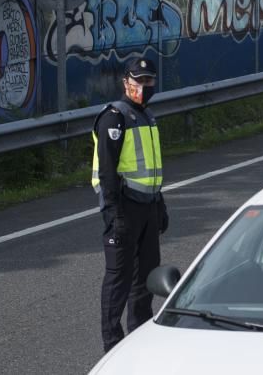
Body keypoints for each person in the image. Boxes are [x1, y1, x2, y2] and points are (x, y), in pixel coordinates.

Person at [92, 57, 167, 353]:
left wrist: (160, 204)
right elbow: (107, 172)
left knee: (145, 279)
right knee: (118, 280)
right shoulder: (115, 117)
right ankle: (113, 346)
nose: (145, 87)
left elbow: (150, 168)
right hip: (123, 209)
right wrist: (113, 213)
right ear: (126, 82)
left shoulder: (147, 117)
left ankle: (139, 338)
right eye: (140, 81)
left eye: (149, 81)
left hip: (147, 208)